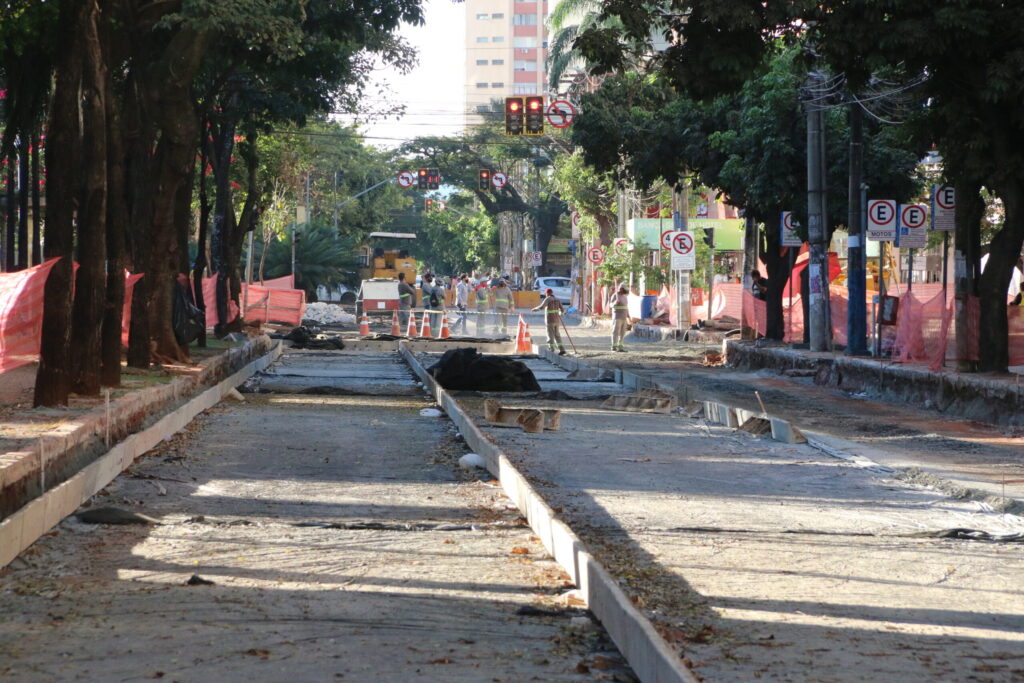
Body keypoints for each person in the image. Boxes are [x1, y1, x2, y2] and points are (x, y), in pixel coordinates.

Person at [532, 287, 567, 355]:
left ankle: (551, 349)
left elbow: (542, 307)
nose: (545, 295)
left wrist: (535, 309)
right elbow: (562, 310)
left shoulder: (548, 299)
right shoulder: (557, 299)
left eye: (546, 293)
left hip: (550, 320)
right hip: (557, 320)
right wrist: (560, 313)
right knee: (557, 335)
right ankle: (562, 349)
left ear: (547, 293)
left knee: (550, 335)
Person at [609, 284, 629, 352]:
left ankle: (620, 347)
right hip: (617, 317)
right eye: (624, 290)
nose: (624, 292)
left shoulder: (625, 297)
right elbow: (610, 305)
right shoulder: (615, 296)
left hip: (624, 317)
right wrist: (615, 303)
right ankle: (614, 347)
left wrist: (628, 316)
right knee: (615, 333)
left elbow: (626, 307)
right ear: (621, 289)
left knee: (622, 333)